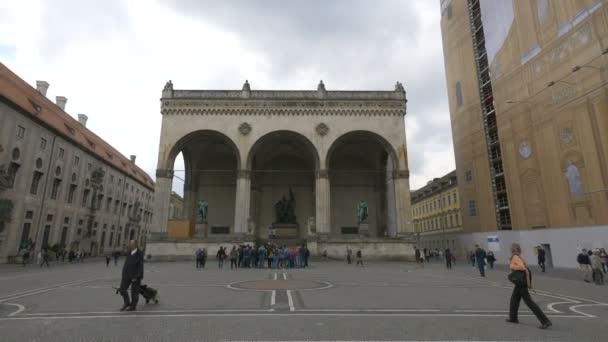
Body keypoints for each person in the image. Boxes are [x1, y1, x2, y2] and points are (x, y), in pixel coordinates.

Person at [506, 243, 552, 329]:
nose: (512, 250)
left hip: (520, 282)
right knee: (514, 299)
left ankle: (545, 321)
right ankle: (513, 318)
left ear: (514, 250)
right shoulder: (520, 256)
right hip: (521, 281)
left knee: (529, 302)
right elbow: (526, 267)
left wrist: (512, 266)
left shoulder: (515, 257)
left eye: (512, 249)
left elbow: (522, 267)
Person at [118, 240, 144, 311]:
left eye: (131, 244)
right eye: (129, 244)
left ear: (135, 245)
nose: (129, 245)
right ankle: (127, 303)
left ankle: (133, 306)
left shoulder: (139, 253)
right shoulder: (129, 252)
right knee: (122, 289)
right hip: (126, 275)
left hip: (135, 276)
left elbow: (140, 266)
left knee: (134, 292)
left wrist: (136, 276)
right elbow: (127, 263)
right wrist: (123, 273)